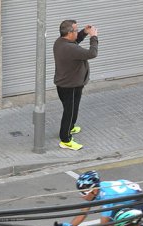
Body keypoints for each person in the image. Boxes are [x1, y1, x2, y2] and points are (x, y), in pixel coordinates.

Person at [53, 19, 98, 151]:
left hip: (70, 84)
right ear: (69, 33)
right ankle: (65, 139)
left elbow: (76, 40)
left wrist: (84, 32)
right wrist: (93, 36)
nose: (77, 32)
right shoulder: (69, 48)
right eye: (76, 30)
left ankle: (70, 127)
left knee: (73, 109)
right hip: (69, 87)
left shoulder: (60, 42)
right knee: (69, 112)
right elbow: (92, 53)